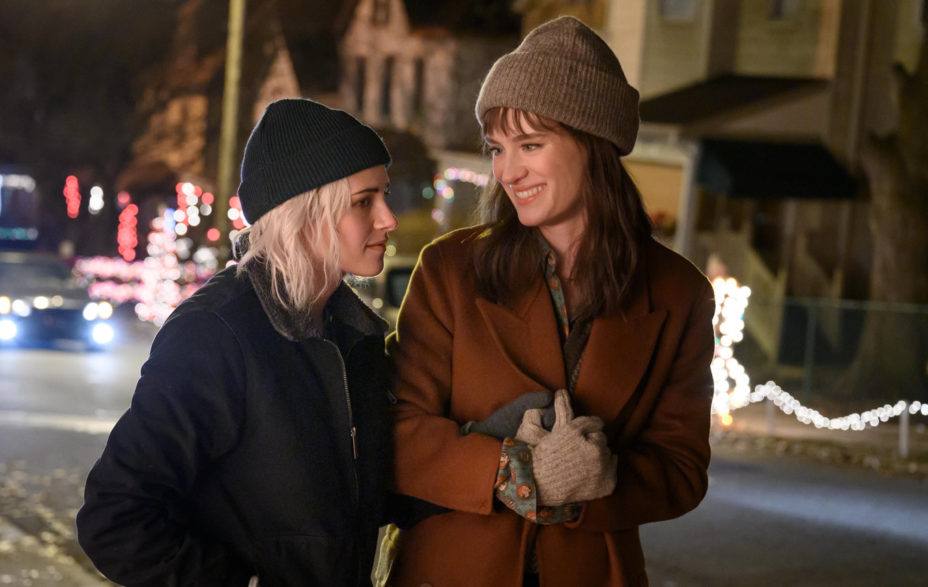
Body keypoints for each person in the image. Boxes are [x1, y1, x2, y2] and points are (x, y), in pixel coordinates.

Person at [388, 17, 715, 587]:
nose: (508, 171)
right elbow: (399, 429)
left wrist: (598, 479)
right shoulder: (449, 270)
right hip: (451, 569)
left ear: (593, 146)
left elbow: (682, 469)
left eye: (531, 145)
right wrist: (514, 470)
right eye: (497, 148)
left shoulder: (679, 293)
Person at [77, 98, 398, 586]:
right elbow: (115, 518)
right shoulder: (216, 332)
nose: (388, 218)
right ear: (307, 210)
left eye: (385, 196)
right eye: (363, 201)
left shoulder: (352, 336)